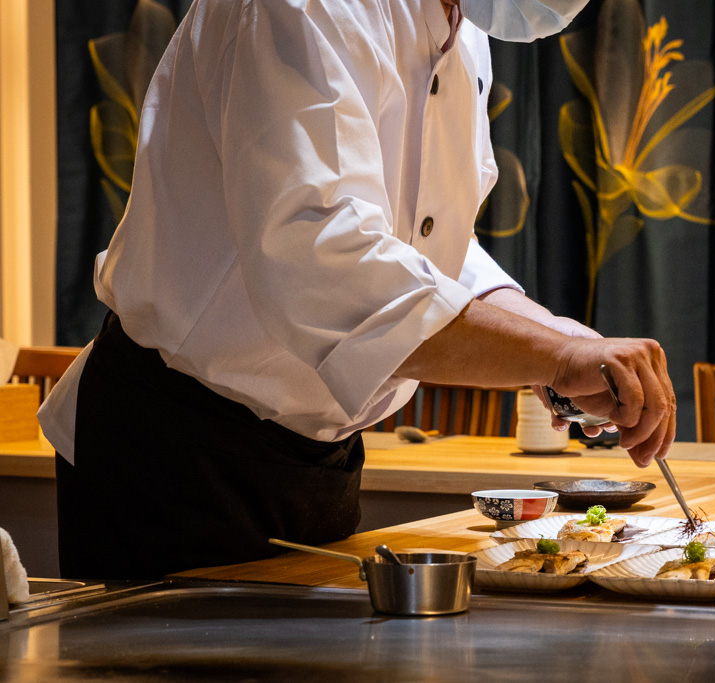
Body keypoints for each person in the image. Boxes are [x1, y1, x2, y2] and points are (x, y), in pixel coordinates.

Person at [39, 0, 676, 580]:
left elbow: (423, 249)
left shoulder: (461, 33)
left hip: (319, 461)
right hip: (176, 448)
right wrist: (552, 356)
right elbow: (324, 258)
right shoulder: (302, 7)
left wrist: (552, 335)